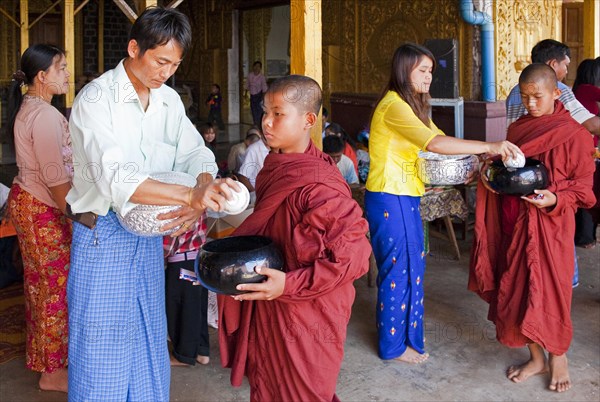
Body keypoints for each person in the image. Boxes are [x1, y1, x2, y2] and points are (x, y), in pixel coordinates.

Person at [66, 7, 239, 401]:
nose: (166, 72)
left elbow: (196, 154)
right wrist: (189, 196)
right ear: (133, 48)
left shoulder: (168, 102)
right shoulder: (97, 101)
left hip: (145, 237)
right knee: (100, 343)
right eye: (160, 61)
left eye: (174, 65)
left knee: (146, 333)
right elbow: (116, 177)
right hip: (102, 236)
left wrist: (202, 189)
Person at [218, 75, 371, 401]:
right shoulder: (277, 165)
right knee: (268, 383)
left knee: (304, 392)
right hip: (273, 299)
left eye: (277, 114)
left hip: (309, 309)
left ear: (309, 120)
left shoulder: (318, 183)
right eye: (264, 113)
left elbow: (353, 257)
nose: (266, 123)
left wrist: (288, 285)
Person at [365, 43, 520, 364]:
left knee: (412, 268)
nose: (428, 77)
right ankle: (392, 347)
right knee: (397, 271)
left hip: (405, 195)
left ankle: (408, 338)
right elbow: (434, 143)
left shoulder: (411, 107)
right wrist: (489, 143)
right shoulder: (393, 106)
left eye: (431, 71)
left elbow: (440, 139)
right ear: (402, 70)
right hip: (389, 196)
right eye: (422, 70)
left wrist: (481, 154)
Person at [470, 63, 596, 393]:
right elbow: (508, 168)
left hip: (552, 226)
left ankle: (559, 356)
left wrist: (555, 197)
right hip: (516, 221)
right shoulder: (518, 130)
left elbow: (584, 191)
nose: (530, 104)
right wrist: (490, 173)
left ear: (557, 93)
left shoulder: (576, 134)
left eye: (537, 97)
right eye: (525, 97)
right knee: (517, 290)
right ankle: (536, 356)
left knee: (552, 291)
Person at [6, 44, 72, 393]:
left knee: (40, 286)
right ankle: (52, 371)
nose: (67, 74)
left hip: (29, 202)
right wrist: (77, 217)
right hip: (42, 207)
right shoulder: (45, 115)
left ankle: (46, 360)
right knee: (54, 289)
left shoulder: (32, 107)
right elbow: (55, 176)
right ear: (42, 76)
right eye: (61, 68)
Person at [506, 39, 600, 136]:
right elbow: (591, 125)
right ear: (553, 64)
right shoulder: (557, 88)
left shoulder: (514, 91)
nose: (567, 71)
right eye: (566, 65)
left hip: (517, 148)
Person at [164, 217, 210, 366]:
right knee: (197, 307)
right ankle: (202, 351)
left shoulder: (179, 205)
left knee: (182, 310)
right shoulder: (199, 197)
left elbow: (167, 245)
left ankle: (184, 355)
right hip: (198, 259)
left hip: (180, 263)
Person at [573, 58, 600, 249]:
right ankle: (585, 237)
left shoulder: (576, 90)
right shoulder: (588, 89)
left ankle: (583, 236)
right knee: (588, 193)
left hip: (581, 148)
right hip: (588, 148)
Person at [237, 128, 270, 202]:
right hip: (259, 194)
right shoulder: (253, 149)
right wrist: (254, 193)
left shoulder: (280, 147)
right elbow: (242, 176)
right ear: (261, 133)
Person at [245, 61, 268, 126]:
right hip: (252, 95)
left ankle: (260, 124)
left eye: (258, 66)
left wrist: (264, 97)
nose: (256, 68)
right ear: (253, 67)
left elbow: (264, 87)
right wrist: (246, 93)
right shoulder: (250, 75)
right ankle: (255, 124)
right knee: (253, 110)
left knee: (259, 111)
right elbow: (247, 84)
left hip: (259, 95)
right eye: (255, 66)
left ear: (260, 68)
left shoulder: (262, 77)